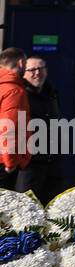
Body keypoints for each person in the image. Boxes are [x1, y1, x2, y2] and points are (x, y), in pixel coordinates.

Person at [20, 57, 64, 201]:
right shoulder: (20, 95)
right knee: (27, 205)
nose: (37, 73)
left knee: (53, 206)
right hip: (29, 164)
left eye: (41, 68)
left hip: (52, 163)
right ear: (24, 73)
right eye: (32, 70)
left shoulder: (51, 93)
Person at [0, 48, 28, 192]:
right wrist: (10, 163)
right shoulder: (14, 90)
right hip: (3, 162)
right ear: (21, 63)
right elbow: (8, 128)